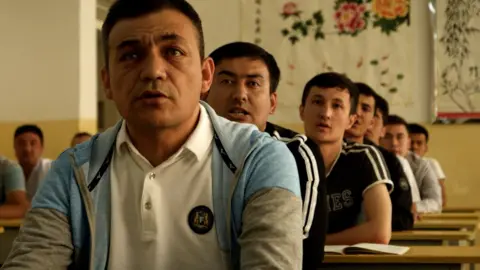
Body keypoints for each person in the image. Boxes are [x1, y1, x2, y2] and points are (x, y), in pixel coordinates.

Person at [2, 1, 303, 269]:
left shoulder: (259, 160)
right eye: (131, 55)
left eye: (173, 51)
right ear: (107, 82)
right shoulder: (74, 171)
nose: (153, 71)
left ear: (206, 75)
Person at [205, 41, 326, 269]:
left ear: (272, 103)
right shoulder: (183, 147)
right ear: (205, 90)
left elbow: (304, 248)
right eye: (227, 81)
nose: (240, 94)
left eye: (253, 84)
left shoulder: (297, 152)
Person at [300, 72, 392, 245]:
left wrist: (315, 245)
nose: (326, 113)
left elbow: (380, 232)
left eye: (336, 105)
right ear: (302, 111)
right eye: (317, 102)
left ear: (351, 120)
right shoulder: (283, 155)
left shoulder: (363, 157)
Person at [344, 83, 414, 231]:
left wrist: (372, 222)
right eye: (353, 104)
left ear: (372, 121)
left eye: (365, 108)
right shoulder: (320, 153)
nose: (357, 113)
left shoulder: (388, 160)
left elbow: (404, 217)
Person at [366, 94, 421, 215]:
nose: (366, 119)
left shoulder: (395, 161)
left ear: (382, 130)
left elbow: (410, 210)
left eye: (374, 116)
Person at [382, 115, 442, 213]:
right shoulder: (372, 161)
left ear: (408, 142)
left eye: (400, 137)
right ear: (379, 139)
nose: (394, 143)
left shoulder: (422, 164)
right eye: (387, 137)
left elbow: (436, 202)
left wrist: (412, 207)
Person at [408, 123, 447, 207]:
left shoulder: (432, 163)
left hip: (425, 214)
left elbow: (442, 200)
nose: (414, 147)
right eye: (411, 142)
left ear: (426, 148)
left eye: (419, 143)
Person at [13, 124, 52, 200]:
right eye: (21, 143)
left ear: (41, 148)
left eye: (33, 143)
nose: (27, 149)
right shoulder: (7, 171)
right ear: (14, 147)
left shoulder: (52, 169)